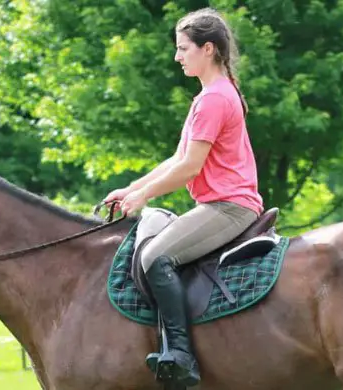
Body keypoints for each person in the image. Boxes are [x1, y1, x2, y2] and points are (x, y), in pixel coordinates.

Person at [101, 7, 263, 387]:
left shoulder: (214, 99)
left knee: (156, 258)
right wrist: (132, 188)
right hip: (220, 204)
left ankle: (180, 354)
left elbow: (190, 167)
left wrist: (142, 198)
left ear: (208, 49)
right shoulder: (212, 95)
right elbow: (176, 159)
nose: (177, 57)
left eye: (183, 48)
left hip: (229, 207)